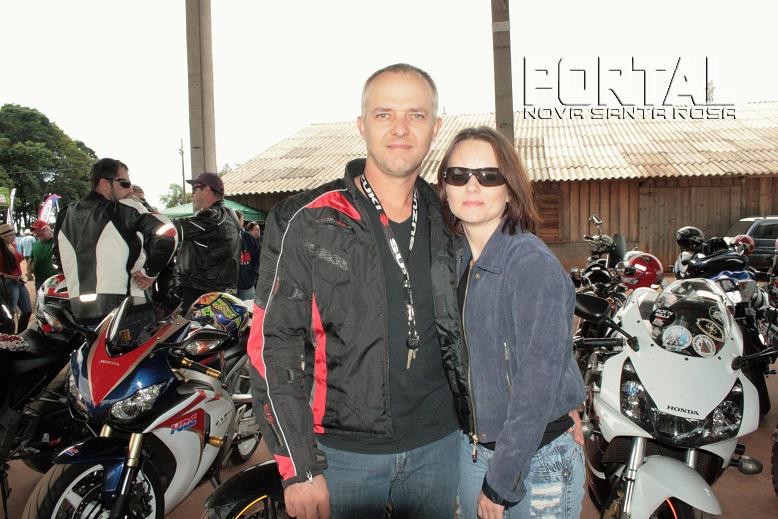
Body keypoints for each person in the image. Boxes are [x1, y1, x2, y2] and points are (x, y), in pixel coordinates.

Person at [248, 63, 471, 519]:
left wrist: (559, 403)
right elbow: (272, 345)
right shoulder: (307, 219)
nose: (400, 129)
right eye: (384, 114)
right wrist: (298, 467)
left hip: (440, 444)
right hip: (342, 454)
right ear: (362, 125)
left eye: (415, 114)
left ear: (436, 127)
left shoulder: (453, 219)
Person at [436, 127, 586, 519]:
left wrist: (501, 481)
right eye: (459, 175)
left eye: (489, 175)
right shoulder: (456, 262)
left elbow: (537, 384)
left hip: (535, 458)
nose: (472, 186)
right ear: (445, 188)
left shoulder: (530, 264)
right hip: (475, 451)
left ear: (510, 188)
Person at [54, 158, 178, 325]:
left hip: (79, 309)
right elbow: (168, 232)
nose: (130, 188)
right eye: (125, 182)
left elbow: (57, 258)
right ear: (104, 183)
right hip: (127, 307)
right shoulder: (123, 209)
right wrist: (149, 272)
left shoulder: (64, 214)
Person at [174, 172, 241, 311]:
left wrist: (144, 215)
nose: (192, 194)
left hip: (204, 291)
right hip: (216, 291)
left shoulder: (213, 216)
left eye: (195, 189)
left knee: (196, 325)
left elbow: (176, 228)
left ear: (206, 190)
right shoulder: (228, 214)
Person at [0, 223, 33, 332]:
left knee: (27, 310)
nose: (14, 236)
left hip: (18, 280)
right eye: (10, 235)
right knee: (10, 312)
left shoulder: (12, 245)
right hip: (7, 283)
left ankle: (20, 334)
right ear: (3, 237)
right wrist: (13, 277)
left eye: (14, 234)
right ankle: (8, 335)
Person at [29, 219, 57, 292]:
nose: (36, 234)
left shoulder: (57, 242)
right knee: (39, 296)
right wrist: (28, 271)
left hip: (54, 279)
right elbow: (31, 259)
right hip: (39, 279)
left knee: (51, 296)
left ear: (47, 229)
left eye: (39, 231)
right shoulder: (36, 244)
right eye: (35, 232)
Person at [237, 220, 261, 301]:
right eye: (256, 229)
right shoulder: (232, 237)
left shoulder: (257, 240)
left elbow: (257, 260)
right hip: (232, 285)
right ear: (250, 231)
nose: (258, 231)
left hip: (248, 284)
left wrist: (253, 277)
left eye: (259, 229)